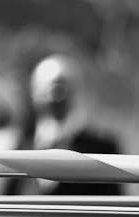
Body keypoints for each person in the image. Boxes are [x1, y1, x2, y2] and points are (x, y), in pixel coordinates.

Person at [15, 54, 121, 196]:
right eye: (46, 88)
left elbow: (111, 202)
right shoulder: (22, 147)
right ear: (34, 93)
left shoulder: (101, 149)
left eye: (61, 88)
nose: (54, 97)